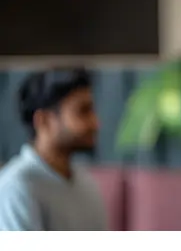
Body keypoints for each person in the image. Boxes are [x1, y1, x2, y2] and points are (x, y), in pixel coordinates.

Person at [0, 67, 107, 230]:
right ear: (43, 121)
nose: (95, 123)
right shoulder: (16, 187)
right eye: (83, 111)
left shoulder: (87, 186)